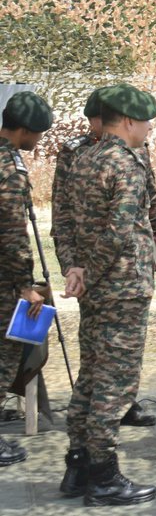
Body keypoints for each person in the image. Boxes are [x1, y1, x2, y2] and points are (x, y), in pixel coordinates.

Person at [60, 83, 156, 506]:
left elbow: (65, 219)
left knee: (90, 375)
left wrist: (77, 271)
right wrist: (92, 274)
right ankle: (103, 476)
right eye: (147, 122)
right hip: (121, 286)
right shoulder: (125, 164)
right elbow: (119, 231)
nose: (150, 130)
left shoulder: (84, 158)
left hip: (97, 288)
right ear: (129, 122)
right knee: (115, 383)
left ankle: (78, 465)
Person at [0, 91, 53, 470]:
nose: (38, 142)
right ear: (21, 130)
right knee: (4, 357)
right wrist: (24, 283)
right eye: (36, 134)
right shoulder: (6, 168)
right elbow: (11, 232)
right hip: (4, 278)